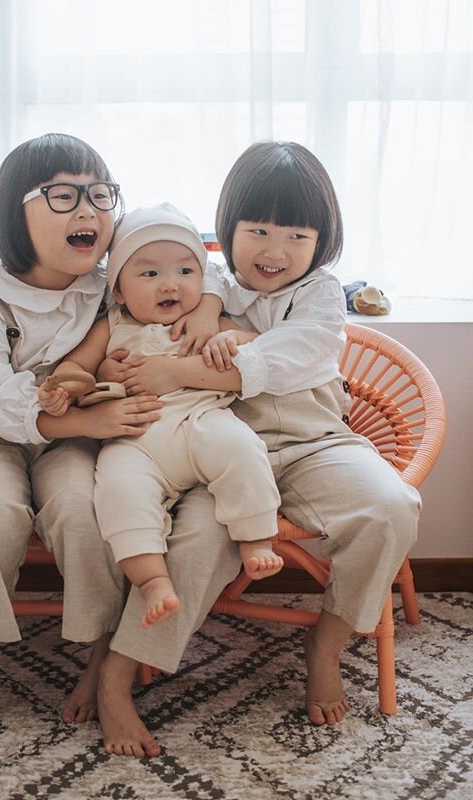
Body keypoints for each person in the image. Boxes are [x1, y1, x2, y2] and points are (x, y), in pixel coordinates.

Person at [0, 133, 242, 758]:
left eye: (100, 195)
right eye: (64, 196)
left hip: (78, 439)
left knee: (82, 509)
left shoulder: (110, 283)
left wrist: (206, 304)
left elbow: (192, 263)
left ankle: (102, 655)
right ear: (15, 215)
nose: (88, 211)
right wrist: (79, 423)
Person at [119, 142, 421, 727]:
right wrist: (209, 309)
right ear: (227, 229)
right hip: (223, 451)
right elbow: (151, 306)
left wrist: (197, 355)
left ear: (321, 241)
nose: (275, 251)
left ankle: (326, 644)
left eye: (297, 237)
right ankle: (126, 666)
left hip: (315, 443)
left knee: (391, 507)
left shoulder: (320, 293)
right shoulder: (201, 279)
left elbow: (296, 355)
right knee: (196, 541)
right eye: (257, 230)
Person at [39, 203, 284, 630]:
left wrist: (232, 339)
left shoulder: (205, 320)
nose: (170, 284)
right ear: (117, 290)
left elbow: (259, 345)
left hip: (201, 422)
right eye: (150, 274)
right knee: (116, 489)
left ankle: (255, 538)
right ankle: (151, 579)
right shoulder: (111, 325)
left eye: (185, 272)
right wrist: (76, 382)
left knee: (241, 448)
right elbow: (73, 369)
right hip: (135, 441)